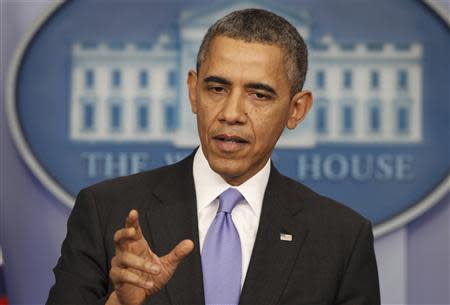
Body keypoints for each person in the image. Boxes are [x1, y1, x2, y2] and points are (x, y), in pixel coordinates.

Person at [47, 8, 380, 305]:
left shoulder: (341, 239)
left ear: (296, 110)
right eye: (217, 89)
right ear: (193, 92)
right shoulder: (106, 211)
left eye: (259, 95)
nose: (231, 113)